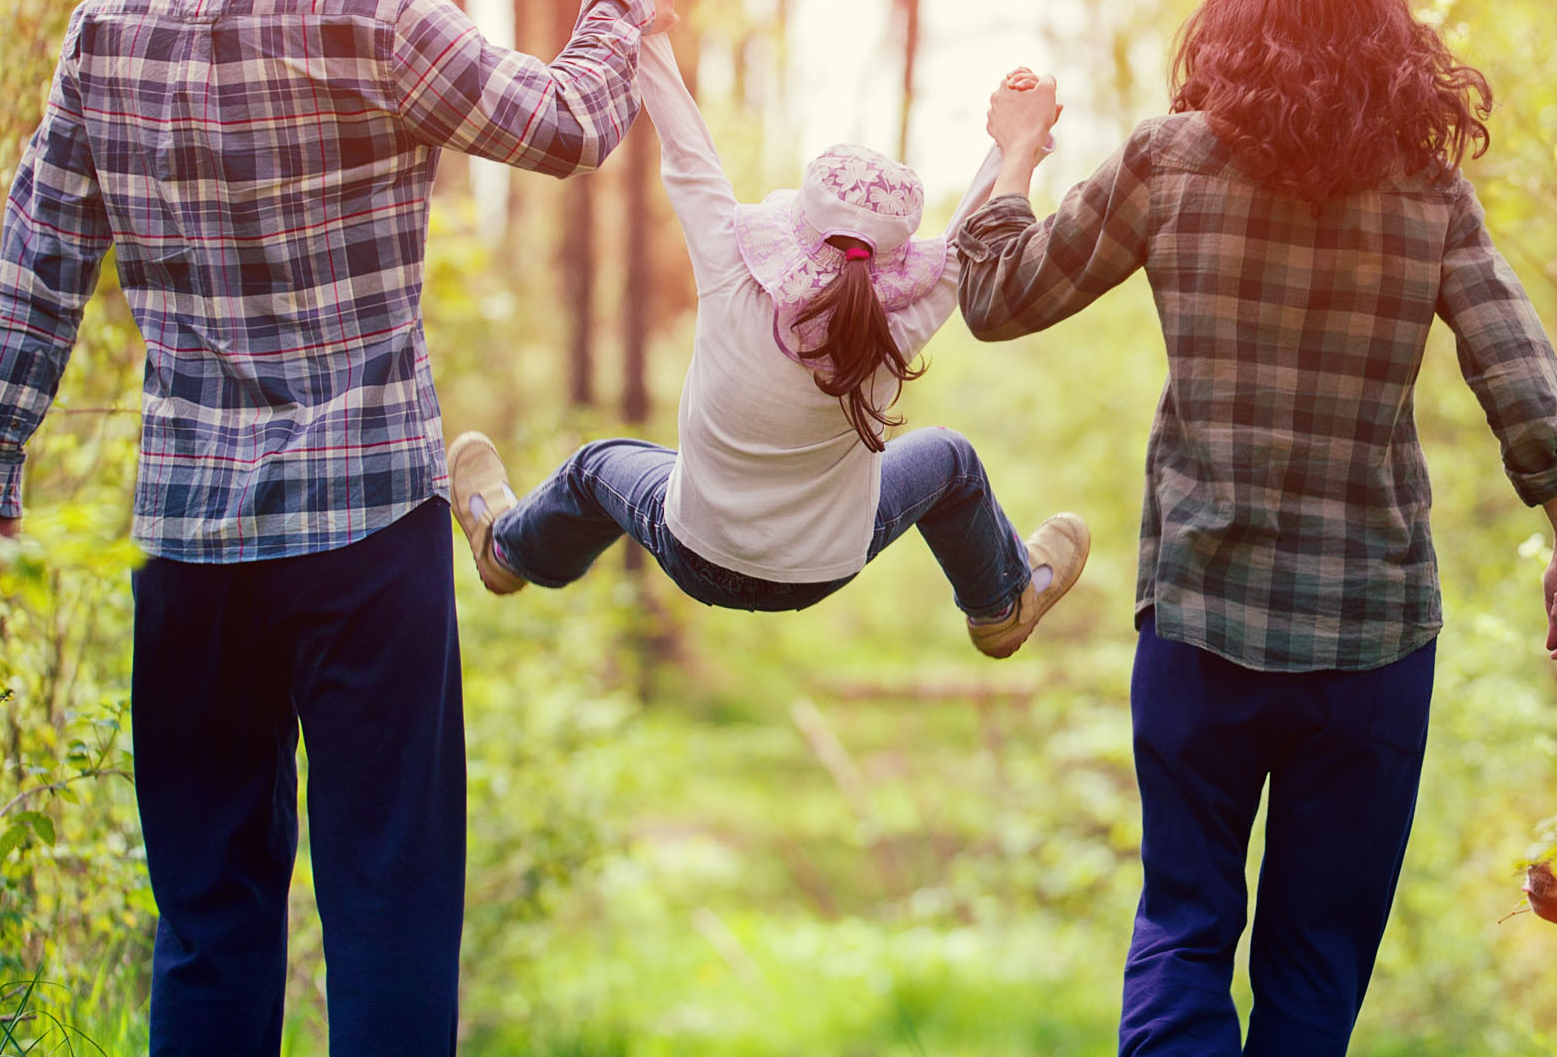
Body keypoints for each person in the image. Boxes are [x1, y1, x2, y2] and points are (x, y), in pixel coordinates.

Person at [0, 0, 673, 1057]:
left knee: (211, 888)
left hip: (194, 536)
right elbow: (566, 127)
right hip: (363, 531)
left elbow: (39, 262)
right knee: (388, 889)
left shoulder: (109, 28)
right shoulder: (372, 10)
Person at [952, 0, 1557, 1057]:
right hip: (1370, 633)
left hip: (1200, 613)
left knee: (1188, 913)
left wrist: (1010, 153)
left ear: (1230, 31)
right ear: (1393, 45)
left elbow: (997, 297)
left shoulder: (1167, 164)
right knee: (1316, 951)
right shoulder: (1424, 194)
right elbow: (1515, 367)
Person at [450, 36, 1087, 652]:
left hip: (695, 551)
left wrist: (645, 30)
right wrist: (1017, 147)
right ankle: (1000, 605)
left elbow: (687, 153)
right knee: (950, 457)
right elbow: (968, 243)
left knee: (594, 467)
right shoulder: (898, 325)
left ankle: (506, 553)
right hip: (824, 568)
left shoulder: (730, 270)